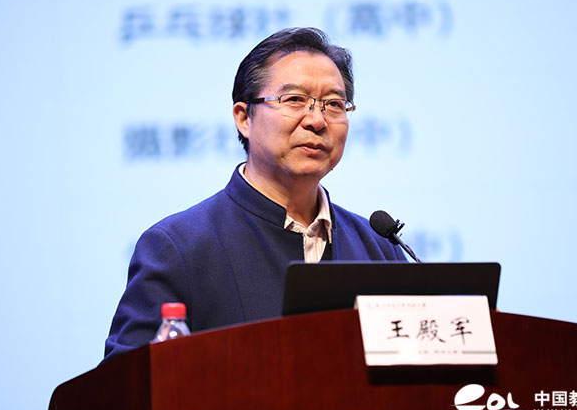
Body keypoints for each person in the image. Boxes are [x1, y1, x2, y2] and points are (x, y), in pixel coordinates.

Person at [103, 27, 405, 362]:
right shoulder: (178, 247)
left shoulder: (380, 248)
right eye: (294, 100)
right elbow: (126, 383)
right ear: (244, 118)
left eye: (334, 104)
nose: (317, 121)